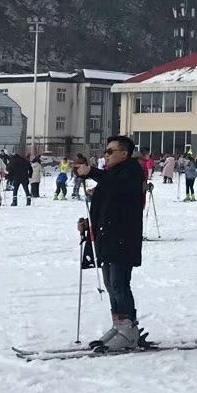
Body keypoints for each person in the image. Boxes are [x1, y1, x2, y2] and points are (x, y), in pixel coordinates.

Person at [74, 136, 147, 351]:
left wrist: (94, 173)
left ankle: (129, 329)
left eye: (110, 151)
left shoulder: (131, 171)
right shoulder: (112, 175)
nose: (106, 155)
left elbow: (117, 188)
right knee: (109, 284)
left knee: (119, 284)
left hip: (123, 237)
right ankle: (119, 325)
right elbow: (105, 205)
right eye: (105, 152)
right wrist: (88, 224)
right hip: (107, 237)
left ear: (124, 153)